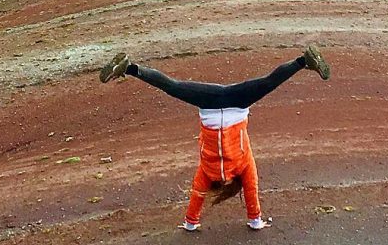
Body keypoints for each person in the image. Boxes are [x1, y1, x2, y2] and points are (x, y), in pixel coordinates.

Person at [99, 46, 330, 231]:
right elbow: (243, 191)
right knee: (174, 86)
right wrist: (254, 221)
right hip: (229, 104)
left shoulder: (209, 171)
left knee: (176, 86)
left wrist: (193, 223)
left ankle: (128, 67)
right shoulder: (230, 167)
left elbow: (212, 195)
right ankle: (304, 61)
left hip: (221, 104)